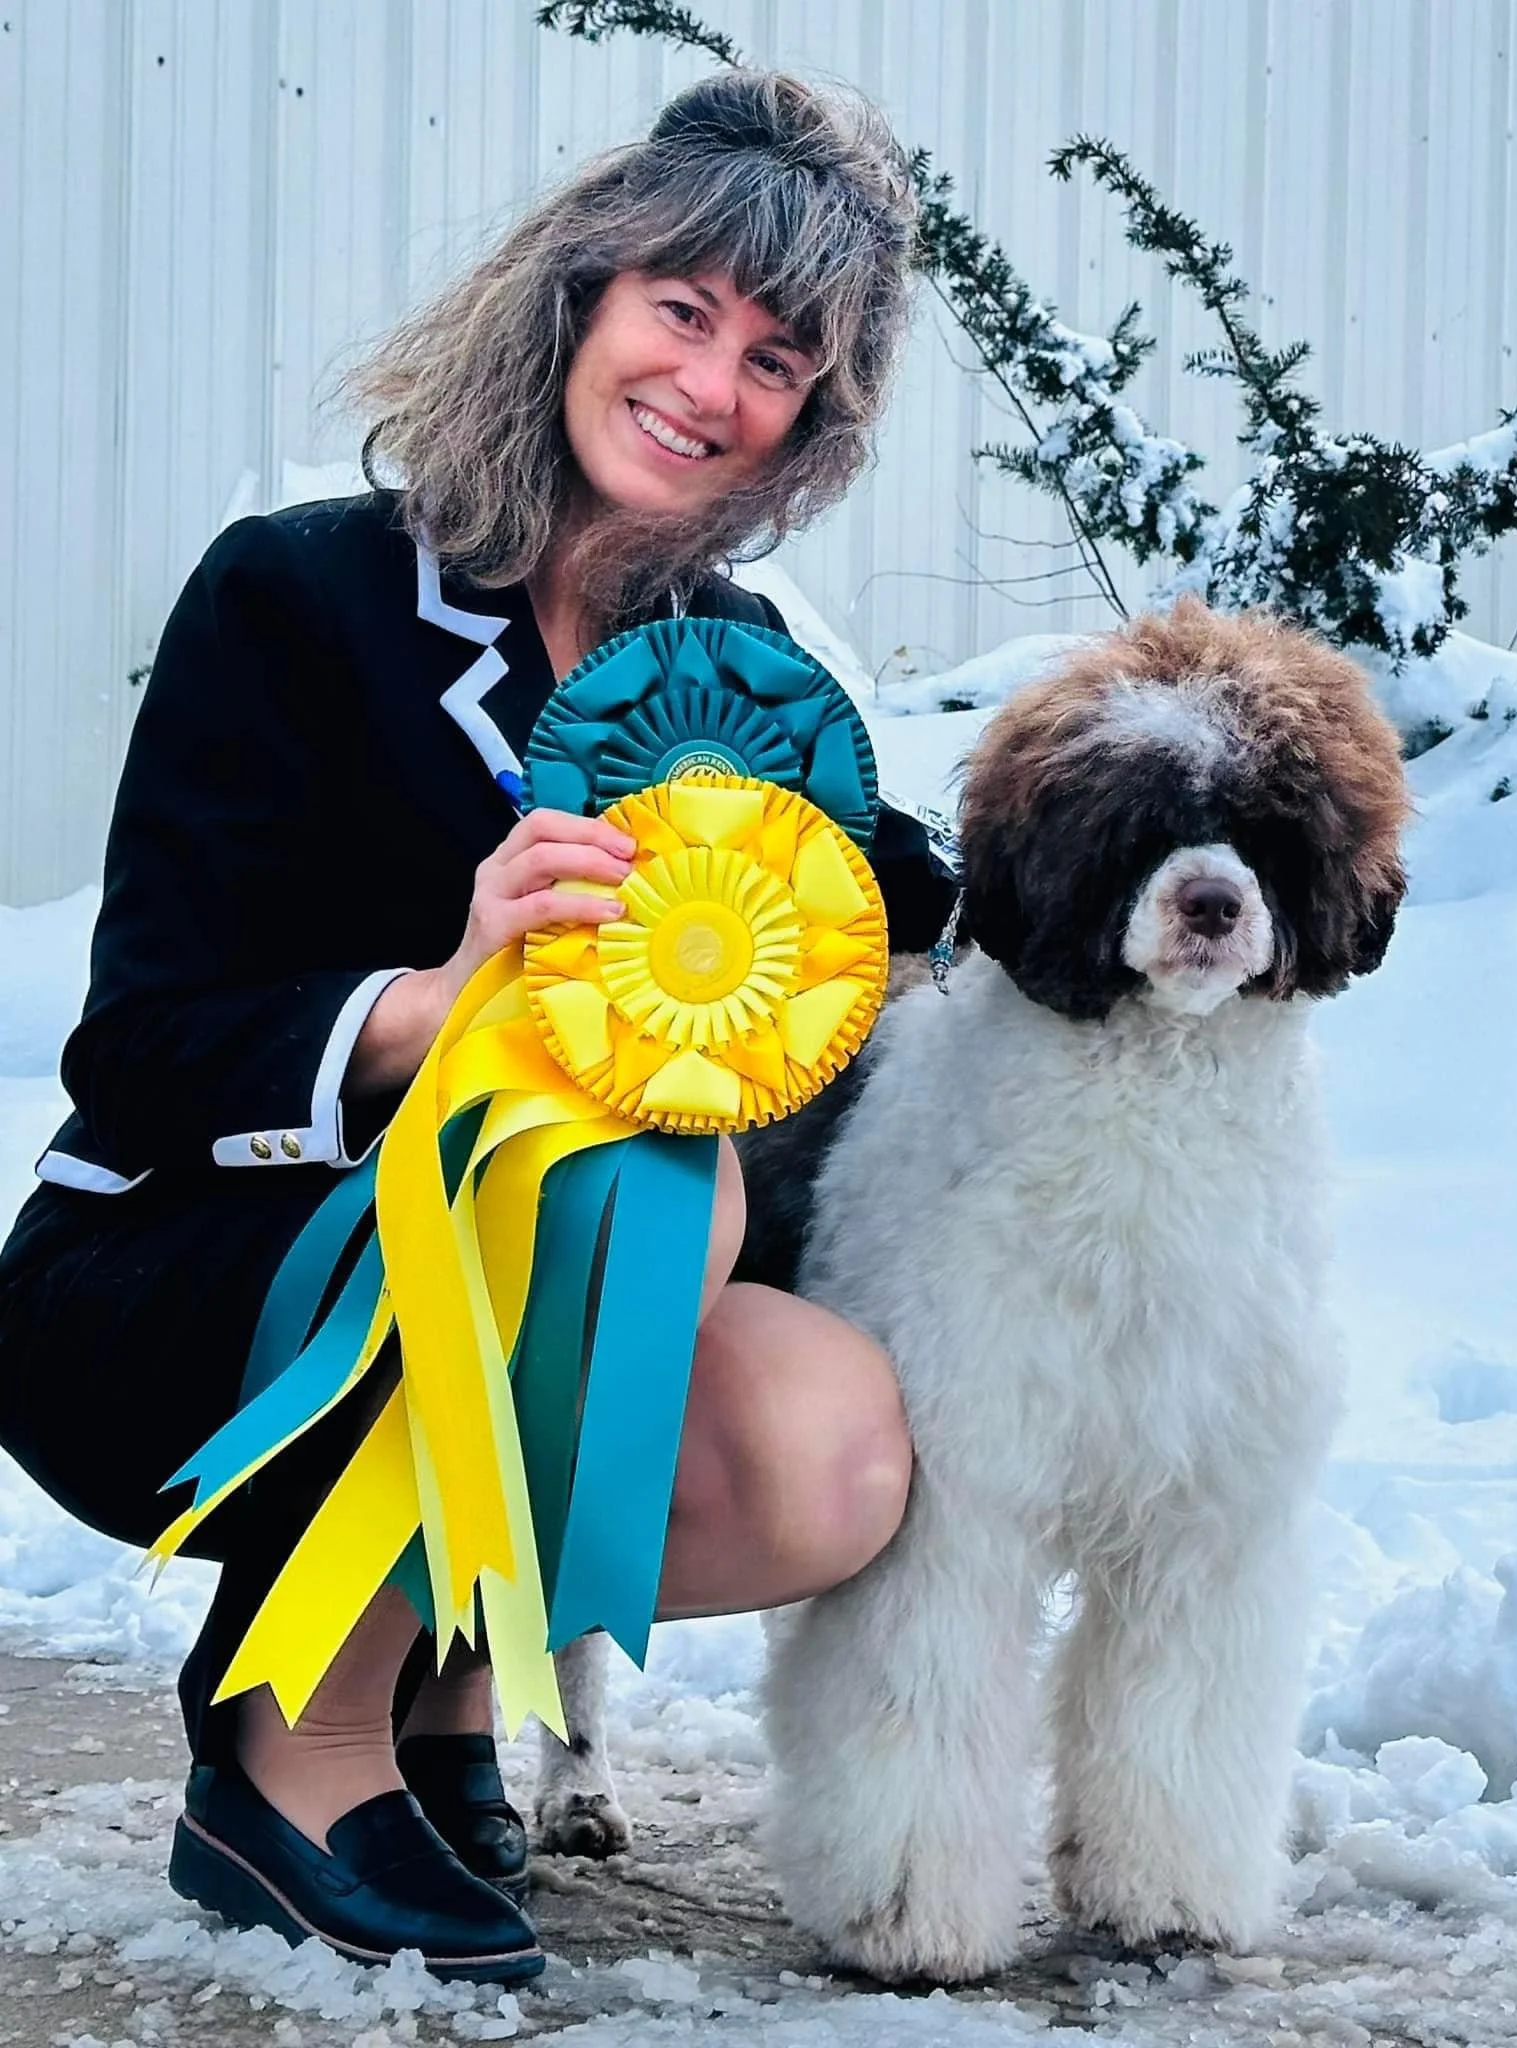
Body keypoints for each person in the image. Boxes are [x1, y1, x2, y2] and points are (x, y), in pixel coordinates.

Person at [0, 71, 957, 1983]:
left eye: (777, 360)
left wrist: (1027, 856)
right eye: (683, 310)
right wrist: (435, 1005)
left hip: (543, 1289)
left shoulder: (746, 670)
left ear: (810, 422)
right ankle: (290, 1749)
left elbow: (887, 885)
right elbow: (149, 1048)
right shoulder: (300, 594)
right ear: (580, 295)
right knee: (596, 1154)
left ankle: (440, 1671)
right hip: (183, 1289)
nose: (712, 384)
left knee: (828, 1450)